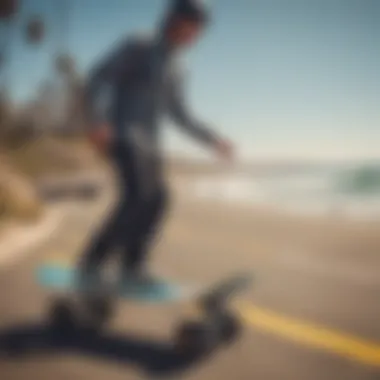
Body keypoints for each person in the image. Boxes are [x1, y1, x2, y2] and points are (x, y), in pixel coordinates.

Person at [80, 0, 234, 292]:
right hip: (122, 134)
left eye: (198, 32)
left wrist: (213, 139)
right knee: (137, 197)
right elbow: (97, 78)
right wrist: (98, 121)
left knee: (159, 199)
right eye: (190, 28)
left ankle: (132, 266)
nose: (193, 37)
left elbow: (180, 115)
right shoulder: (139, 44)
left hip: (149, 145)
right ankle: (91, 263)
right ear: (173, 20)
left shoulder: (178, 67)